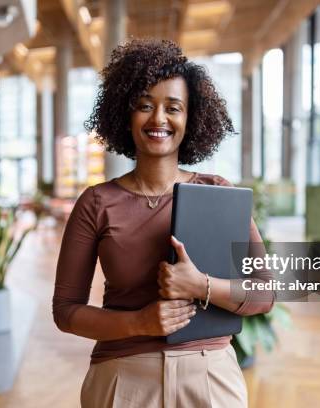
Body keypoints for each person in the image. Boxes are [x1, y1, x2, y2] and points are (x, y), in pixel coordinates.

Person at [52, 38, 275, 408]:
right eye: (144, 105)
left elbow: (264, 293)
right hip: (123, 378)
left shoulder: (218, 192)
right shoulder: (96, 203)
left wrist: (201, 285)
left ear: (191, 118)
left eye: (173, 107)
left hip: (209, 377)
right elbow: (66, 311)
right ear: (125, 114)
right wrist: (139, 323)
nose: (158, 119)